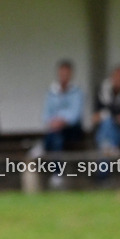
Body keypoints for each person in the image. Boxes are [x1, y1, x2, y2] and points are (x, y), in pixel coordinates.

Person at [41, 59, 84, 187]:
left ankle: (42, 146)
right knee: (56, 137)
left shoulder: (77, 92)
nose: (64, 76)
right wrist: (54, 122)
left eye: (66, 73)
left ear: (71, 74)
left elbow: (75, 115)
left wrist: (61, 121)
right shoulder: (51, 92)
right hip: (56, 130)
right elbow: (45, 115)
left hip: (72, 130)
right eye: (62, 73)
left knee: (56, 136)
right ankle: (57, 173)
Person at [92, 65, 120, 153]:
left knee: (108, 125)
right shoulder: (102, 88)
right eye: (116, 77)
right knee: (107, 123)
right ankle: (111, 147)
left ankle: (108, 147)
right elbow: (97, 112)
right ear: (111, 78)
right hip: (103, 127)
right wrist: (111, 115)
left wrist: (105, 114)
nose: (118, 81)